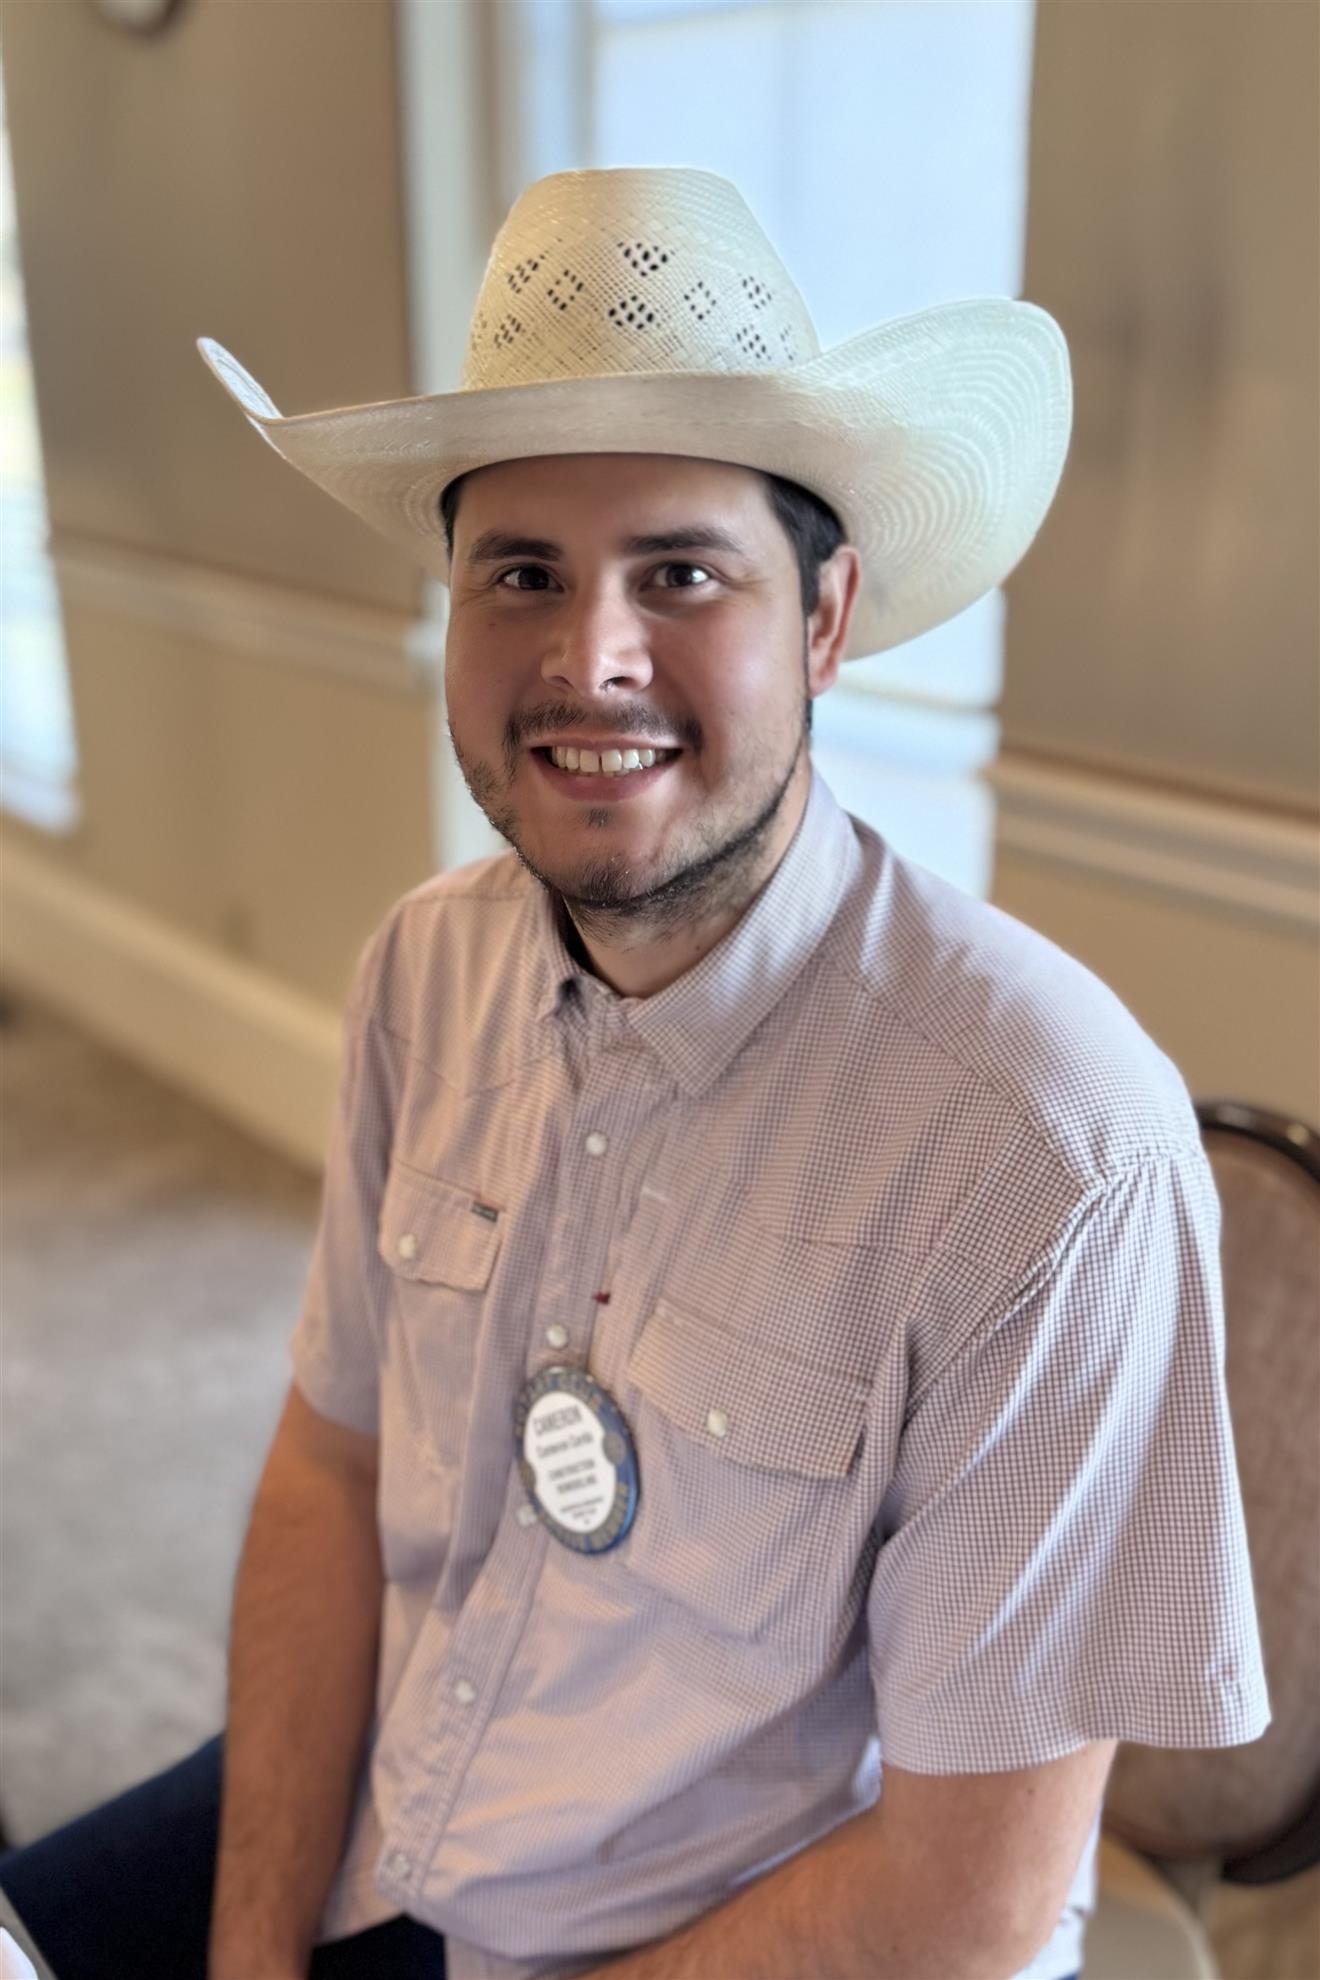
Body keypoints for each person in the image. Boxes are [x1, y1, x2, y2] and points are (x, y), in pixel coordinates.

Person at [1, 167, 1269, 1980]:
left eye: (681, 573)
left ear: (823, 619)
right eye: (521, 573)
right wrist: (257, 1953)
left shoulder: (1042, 1149)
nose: (590, 660)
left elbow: (964, 1905)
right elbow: (332, 1473)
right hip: (411, 1796)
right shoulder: (426, 970)